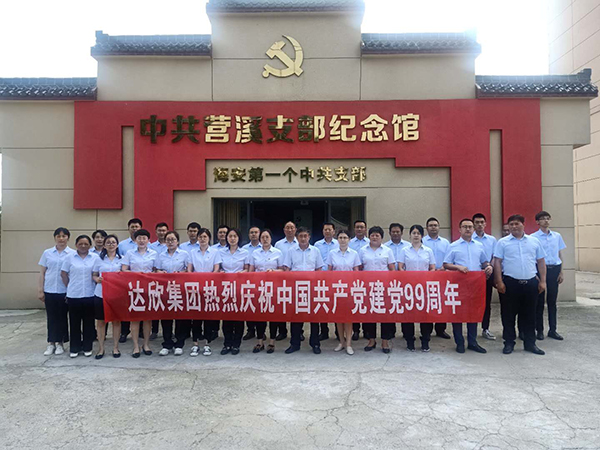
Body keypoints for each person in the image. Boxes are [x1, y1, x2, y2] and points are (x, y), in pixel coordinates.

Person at [494, 214, 547, 355]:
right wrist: (499, 281)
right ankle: (509, 343)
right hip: (510, 283)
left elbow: (541, 261)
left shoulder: (534, 241)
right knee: (508, 315)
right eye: (511, 224)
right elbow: (497, 262)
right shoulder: (502, 243)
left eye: (517, 223)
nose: (514, 226)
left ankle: (530, 343)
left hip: (530, 283)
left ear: (523, 224)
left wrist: (543, 281)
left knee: (530, 315)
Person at [443, 218, 491, 354]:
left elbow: (484, 262)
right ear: (459, 229)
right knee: (457, 314)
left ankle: (472, 342)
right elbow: (446, 264)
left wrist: (489, 267)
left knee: (472, 313)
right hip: (458, 285)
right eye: (465, 226)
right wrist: (458, 267)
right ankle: (459, 342)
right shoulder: (453, 246)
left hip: (475, 285)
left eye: (470, 226)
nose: (468, 229)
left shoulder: (479, 246)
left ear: (473, 229)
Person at [283, 226, 324, 354]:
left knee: (314, 318)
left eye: (305, 236)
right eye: (300, 236)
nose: (303, 238)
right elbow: (287, 269)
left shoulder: (315, 251)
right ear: (297, 237)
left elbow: (319, 269)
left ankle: (315, 343)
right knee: (296, 317)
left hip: (312, 288)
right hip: (296, 288)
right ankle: (294, 344)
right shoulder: (291, 251)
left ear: (309, 237)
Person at [397, 225, 436, 352]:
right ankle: (410, 340)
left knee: (426, 315)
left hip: (424, 287)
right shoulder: (404, 250)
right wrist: (407, 277)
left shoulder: (428, 250)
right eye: (413, 233)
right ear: (410, 235)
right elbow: (400, 267)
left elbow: (432, 268)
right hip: (409, 287)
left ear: (422, 236)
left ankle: (425, 340)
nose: (416, 235)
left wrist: (427, 277)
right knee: (408, 315)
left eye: (418, 233)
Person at [121, 229, 158, 357]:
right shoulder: (129, 253)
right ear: (135, 240)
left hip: (149, 289)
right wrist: (137, 274)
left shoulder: (154, 253)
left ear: (148, 240)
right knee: (135, 319)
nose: (142, 241)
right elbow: (124, 269)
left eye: (144, 238)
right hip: (134, 289)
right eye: (139, 238)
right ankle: (136, 346)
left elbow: (157, 270)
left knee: (147, 319)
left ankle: (146, 344)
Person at [60, 235, 99, 358]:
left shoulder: (95, 257)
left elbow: (96, 274)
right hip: (74, 295)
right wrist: (69, 286)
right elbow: (63, 274)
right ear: (76, 244)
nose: (83, 246)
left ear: (90, 245)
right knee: (74, 322)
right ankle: (74, 348)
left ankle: (87, 347)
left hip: (89, 294)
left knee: (89, 322)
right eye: (80, 244)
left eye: (86, 244)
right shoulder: (69, 257)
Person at [38, 227, 75, 356]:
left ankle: (60, 343)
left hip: (65, 290)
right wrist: (40, 290)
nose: (61, 238)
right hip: (49, 290)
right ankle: (51, 343)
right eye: (58, 236)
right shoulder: (47, 253)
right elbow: (42, 273)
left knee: (62, 317)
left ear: (68, 238)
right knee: (51, 317)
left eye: (64, 236)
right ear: (55, 238)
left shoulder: (72, 254)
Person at [186, 228, 222, 356]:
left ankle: (207, 344)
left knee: (208, 317)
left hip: (209, 288)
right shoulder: (192, 252)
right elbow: (189, 269)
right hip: (195, 288)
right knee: (196, 317)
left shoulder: (215, 252)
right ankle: (195, 344)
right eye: (200, 237)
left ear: (209, 238)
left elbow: (216, 269)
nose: (202, 239)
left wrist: (209, 279)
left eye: (205, 237)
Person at [360, 226, 396, 353]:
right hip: (368, 287)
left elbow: (392, 269)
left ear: (381, 237)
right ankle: (371, 340)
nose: (374, 237)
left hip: (384, 287)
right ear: (369, 237)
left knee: (385, 315)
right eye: (372, 235)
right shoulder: (363, 250)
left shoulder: (387, 250)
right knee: (370, 315)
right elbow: (359, 268)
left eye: (377, 235)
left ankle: (385, 341)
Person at [248, 229, 285, 354]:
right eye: (262, 237)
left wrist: (273, 272)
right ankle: (260, 342)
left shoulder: (277, 252)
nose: (265, 239)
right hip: (258, 288)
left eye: (267, 237)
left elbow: (283, 270)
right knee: (260, 316)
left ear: (271, 238)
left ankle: (272, 342)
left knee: (273, 316)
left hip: (273, 288)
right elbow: (251, 271)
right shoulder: (255, 253)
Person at [532, 211, 566, 341]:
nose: (546, 221)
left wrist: (561, 271)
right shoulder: (533, 237)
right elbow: (532, 256)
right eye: (543, 219)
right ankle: (539, 330)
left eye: (548, 218)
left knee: (552, 302)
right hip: (540, 270)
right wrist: (535, 274)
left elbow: (559, 254)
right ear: (537, 222)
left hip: (554, 269)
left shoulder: (557, 236)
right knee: (539, 302)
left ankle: (553, 330)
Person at [155, 231, 190, 356]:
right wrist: (161, 273)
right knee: (166, 317)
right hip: (165, 289)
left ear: (178, 241)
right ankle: (167, 343)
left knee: (180, 317)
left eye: (173, 239)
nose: (170, 242)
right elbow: (157, 269)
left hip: (179, 289)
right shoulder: (161, 255)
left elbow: (188, 270)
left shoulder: (184, 254)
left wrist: (181, 273)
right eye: (168, 240)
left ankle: (179, 343)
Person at [327, 229, 360, 355]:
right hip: (336, 289)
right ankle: (341, 342)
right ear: (337, 239)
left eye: (345, 237)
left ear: (349, 240)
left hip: (349, 289)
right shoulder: (332, 253)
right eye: (340, 237)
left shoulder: (354, 254)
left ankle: (349, 344)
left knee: (348, 317)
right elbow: (329, 271)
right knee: (338, 317)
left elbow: (356, 272)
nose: (342, 240)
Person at [92, 234, 123, 358]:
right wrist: (97, 279)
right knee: (101, 322)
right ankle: (101, 348)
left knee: (116, 321)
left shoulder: (122, 259)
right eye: (108, 243)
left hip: (117, 295)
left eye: (113, 242)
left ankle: (115, 348)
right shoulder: (98, 259)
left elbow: (126, 275)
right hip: (100, 294)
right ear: (104, 245)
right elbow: (94, 274)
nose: (111, 245)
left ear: (117, 245)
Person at [219, 228, 249, 355]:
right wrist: (221, 272)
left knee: (238, 318)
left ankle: (236, 344)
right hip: (225, 288)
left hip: (239, 288)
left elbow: (247, 269)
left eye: (235, 236)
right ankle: (227, 344)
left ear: (238, 238)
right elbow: (218, 267)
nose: (232, 238)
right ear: (226, 238)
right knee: (226, 318)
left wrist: (241, 273)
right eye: (230, 236)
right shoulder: (221, 252)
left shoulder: (245, 252)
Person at [423, 217, 451, 339]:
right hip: (427, 276)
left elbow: (449, 258)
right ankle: (427, 331)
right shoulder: (422, 241)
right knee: (428, 302)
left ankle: (441, 329)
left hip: (442, 275)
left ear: (439, 227)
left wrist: (443, 268)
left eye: (435, 225)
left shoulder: (445, 242)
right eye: (430, 225)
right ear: (427, 228)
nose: (433, 227)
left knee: (441, 302)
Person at [472, 213, 498, 340]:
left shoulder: (492, 240)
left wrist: (490, 268)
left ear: (485, 224)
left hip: (488, 274)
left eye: (482, 222)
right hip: (472, 275)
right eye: (477, 222)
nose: (479, 225)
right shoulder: (469, 239)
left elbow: (495, 256)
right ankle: (471, 330)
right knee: (471, 303)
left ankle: (485, 328)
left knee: (486, 302)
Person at [118, 218, 143, 343]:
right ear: (128, 228)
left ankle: (141, 331)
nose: (134, 229)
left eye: (137, 227)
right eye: (132, 227)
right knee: (127, 307)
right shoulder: (122, 245)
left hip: (143, 283)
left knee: (141, 305)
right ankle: (124, 332)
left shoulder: (147, 244)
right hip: (127, 282)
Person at [314, 222, 339, 341]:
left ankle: (338, 332)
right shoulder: (317, 245)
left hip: (335, 278)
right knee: (322, 303)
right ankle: (324, 331)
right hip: (321, 278)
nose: (327, 231)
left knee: (336, 304)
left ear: (334, 231)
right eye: (325, 230)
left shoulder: (338, 243)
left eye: (330, 230)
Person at [273, 221, 298, 341]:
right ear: (284, 230)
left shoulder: (300, 243)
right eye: (287, 227)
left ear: (295, 230)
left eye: (292, 227)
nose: (290, 230)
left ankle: (298, 332)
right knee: (281, 305)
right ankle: (282, 331)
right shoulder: (278, 244)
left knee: (296, 306)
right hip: (280, 278)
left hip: (296, 280)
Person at [349, 220, 368, 340]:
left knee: (366, 304)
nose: (359, 229)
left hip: (367, 279)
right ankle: (355, 330)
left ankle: (367, 330)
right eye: (357, 227)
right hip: (353, 278)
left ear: (365, 229)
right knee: (355, 304)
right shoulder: (350, 243)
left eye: (362, 227)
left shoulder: (370, 242)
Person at [242, 226, 262, 341]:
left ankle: (261, 331)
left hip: (262, 283)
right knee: (249, 306)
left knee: (259, 307)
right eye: (251, 232)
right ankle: (250, 330)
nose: (253, 234)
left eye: (255, 232)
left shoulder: (265, 246)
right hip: (248, 282)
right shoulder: (244, 249)